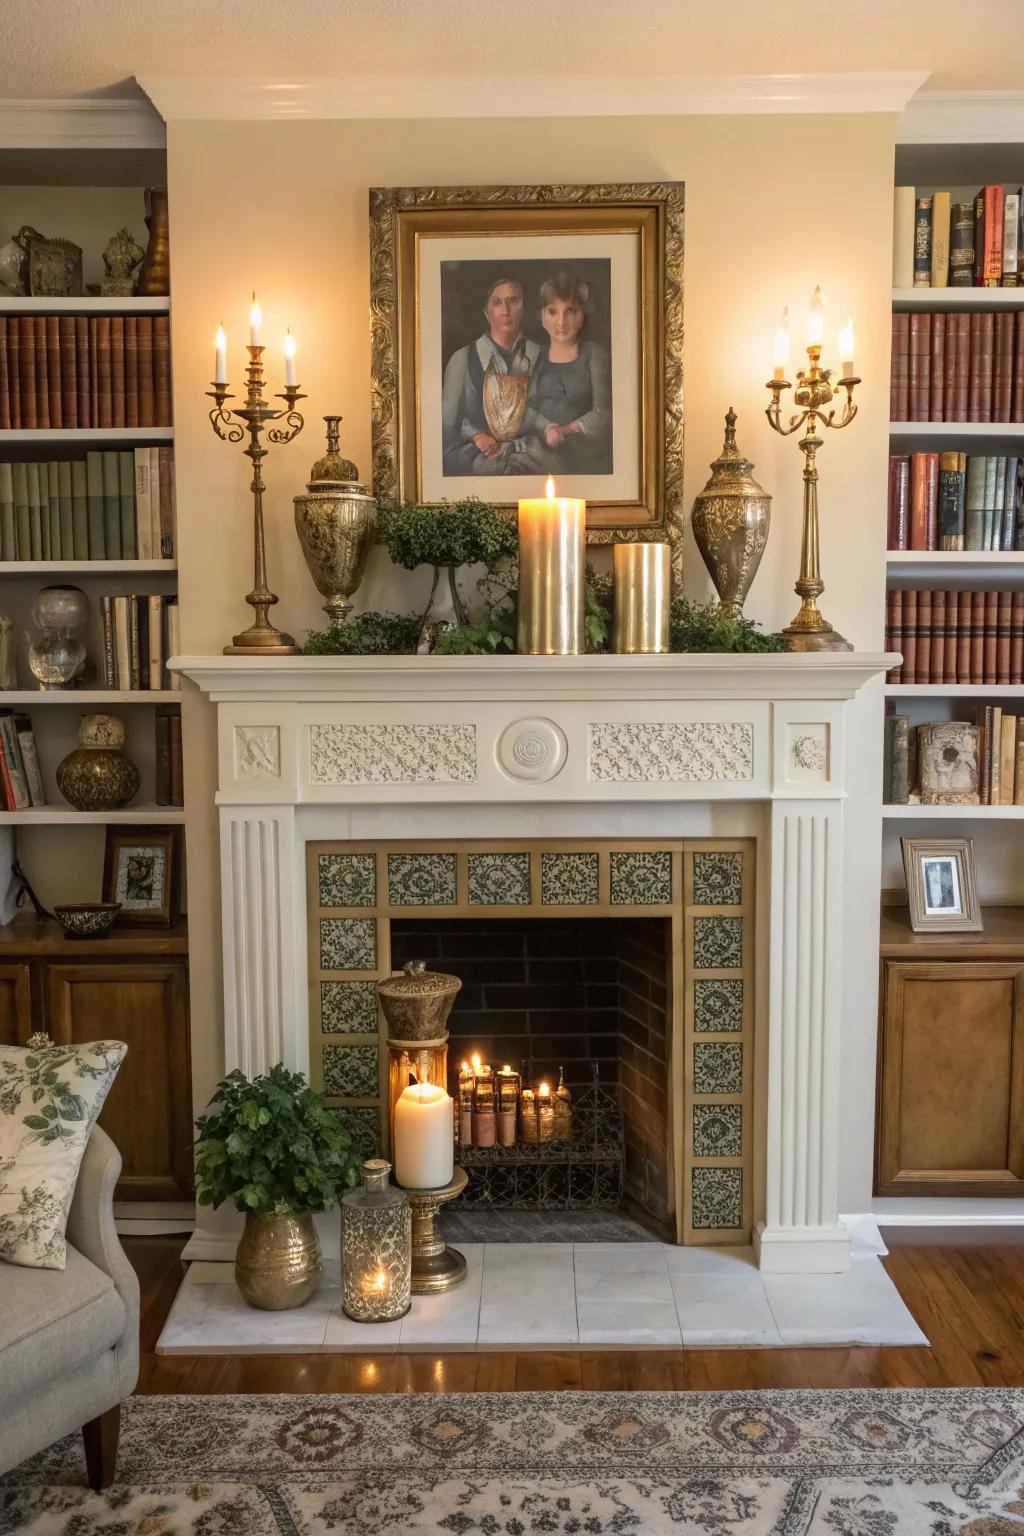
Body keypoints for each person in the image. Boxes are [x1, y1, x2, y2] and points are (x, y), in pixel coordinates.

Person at [441, 277, 541, 475]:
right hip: (479, 459)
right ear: (487, 313)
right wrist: (476, 435)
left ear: (523, 308)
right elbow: (446, 424)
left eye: (513, 301)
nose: (505, 310)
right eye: (497, 303)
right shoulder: (462, 359)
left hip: (531, 458)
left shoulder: (541, 355)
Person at [522, 271, 612, 474]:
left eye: (570, 311)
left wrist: (566, 430)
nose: (561, 322)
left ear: (582, 316)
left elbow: (604, 414)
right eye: (553, 312)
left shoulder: (594, 354)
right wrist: (546, 428)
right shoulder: (533, 357)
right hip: (541, 460)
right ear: (542, 317)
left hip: (586, 462)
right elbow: (522, 410)